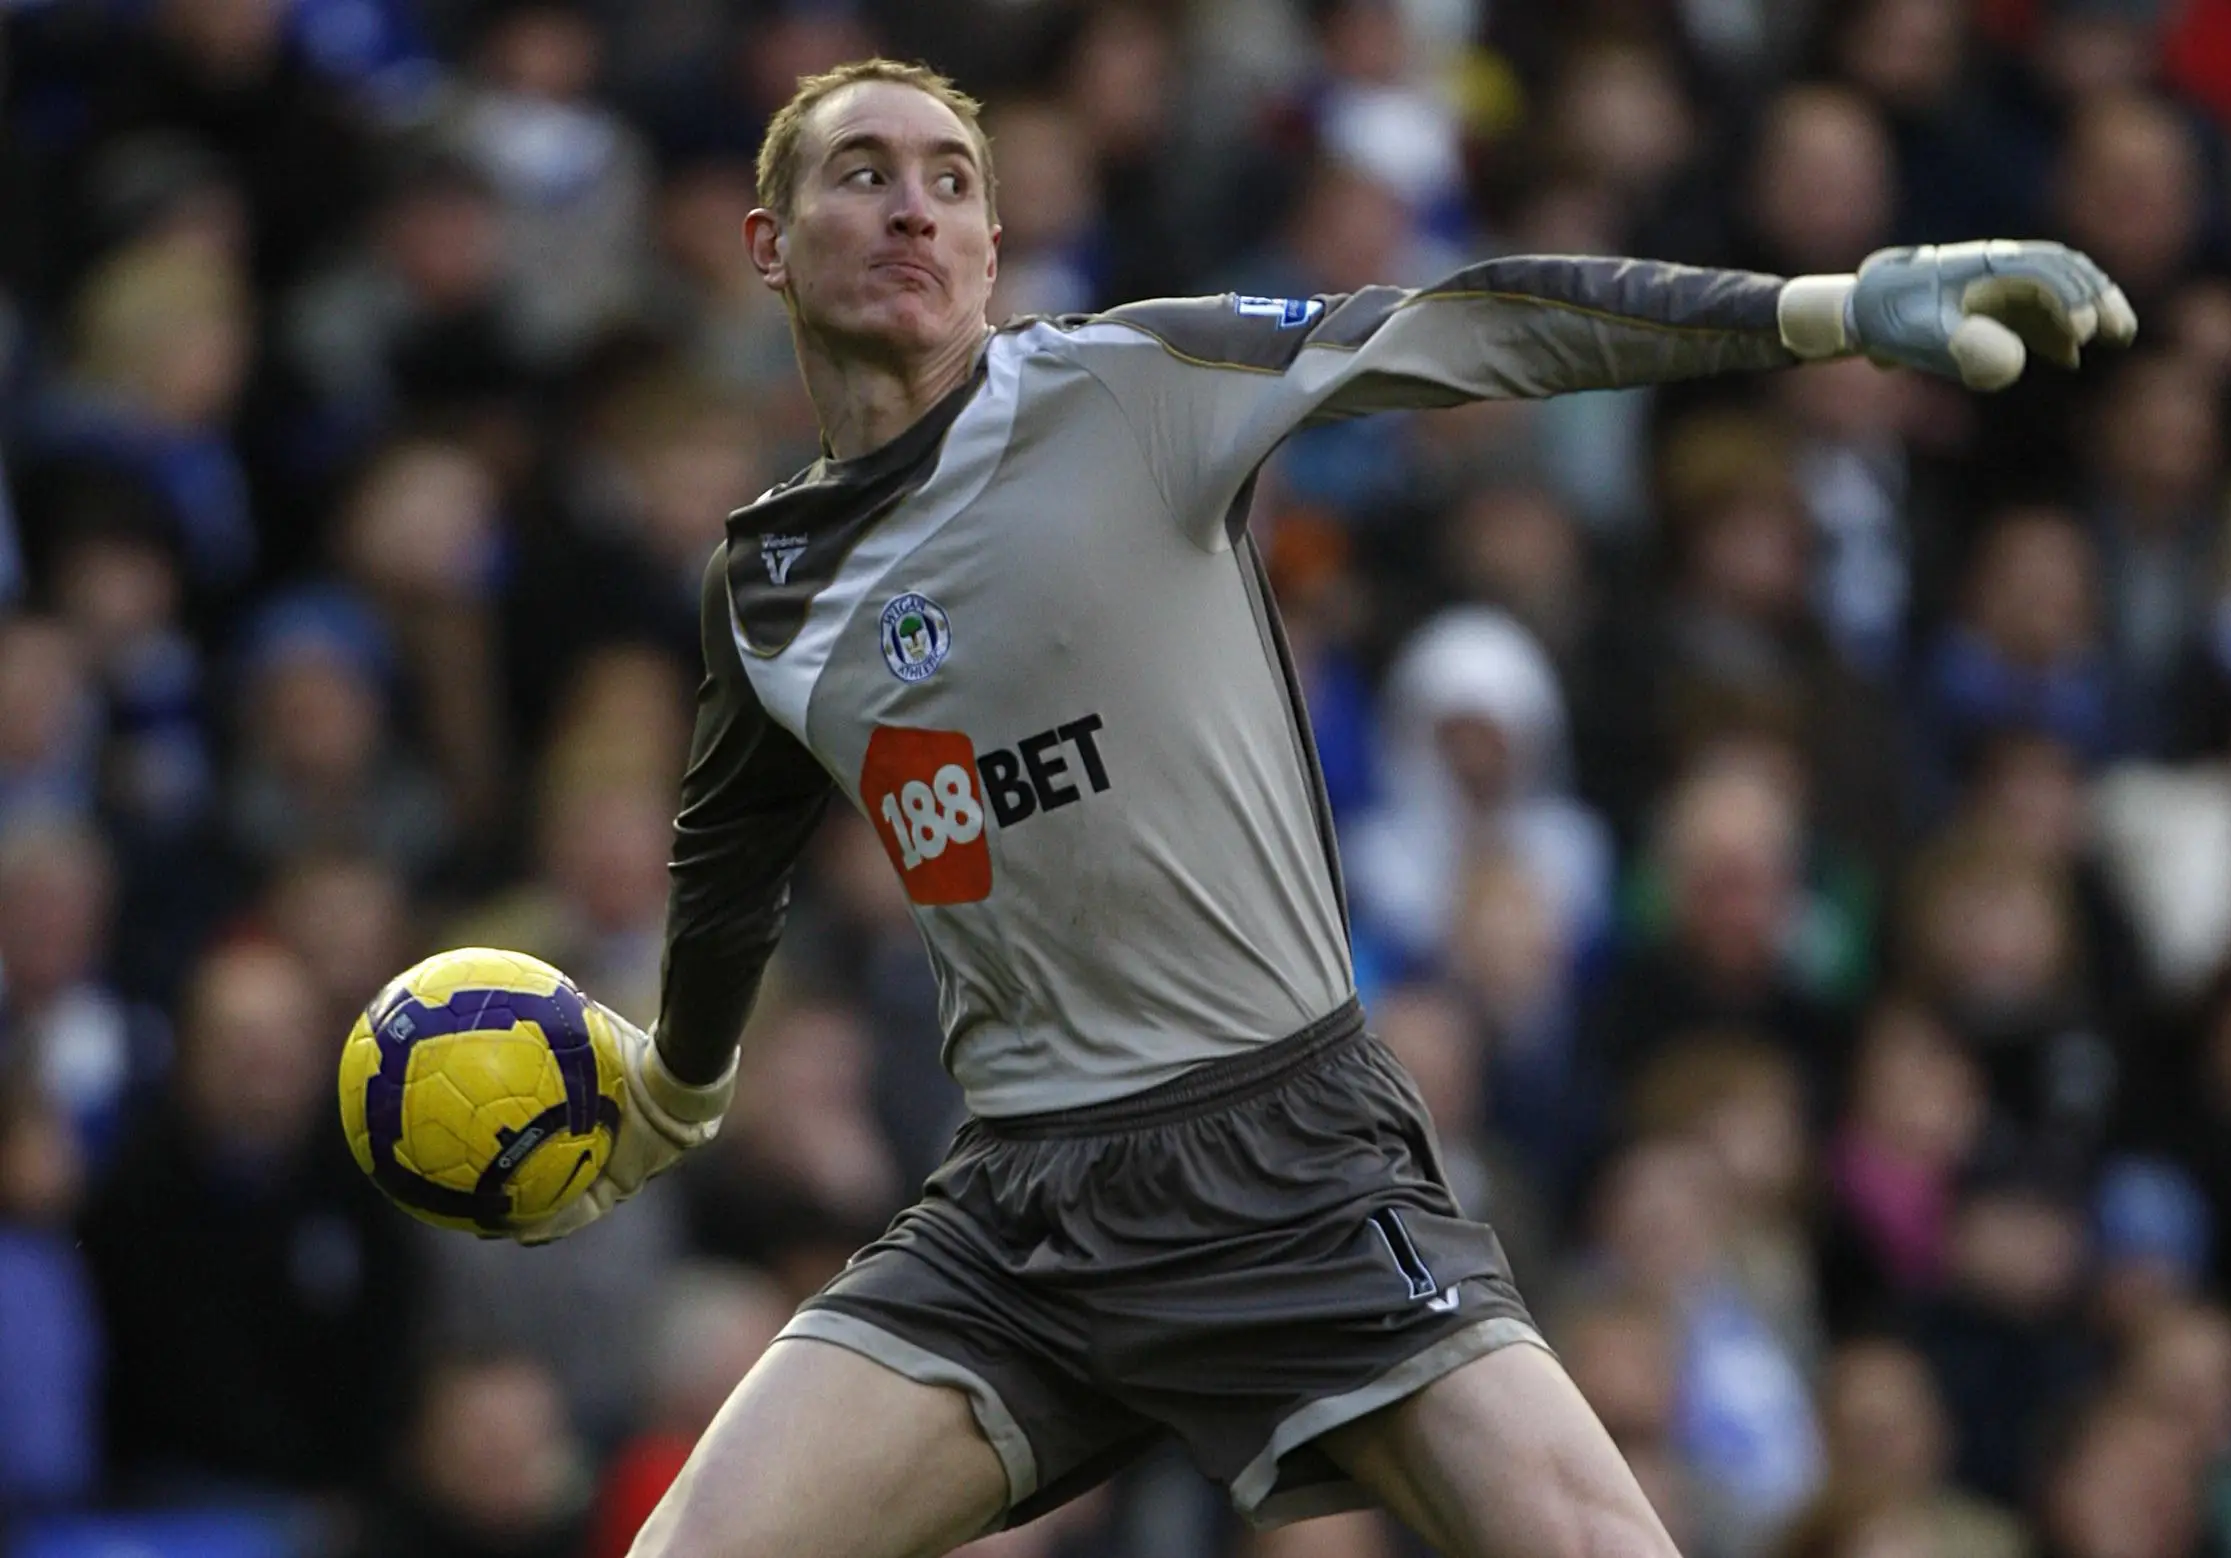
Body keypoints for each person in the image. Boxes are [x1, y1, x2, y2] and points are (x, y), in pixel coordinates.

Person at [514, 56, 2136, 1558]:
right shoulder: (769, 581)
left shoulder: (1125, 386)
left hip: (1282, 1155)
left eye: (948, 179)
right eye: (860, 175)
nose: (911, 207)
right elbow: (730, 854)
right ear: (769, 245)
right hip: (1018, 1210)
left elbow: (1476, 321)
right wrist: (682, 1080)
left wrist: (1825, 306)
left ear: (995, 246)